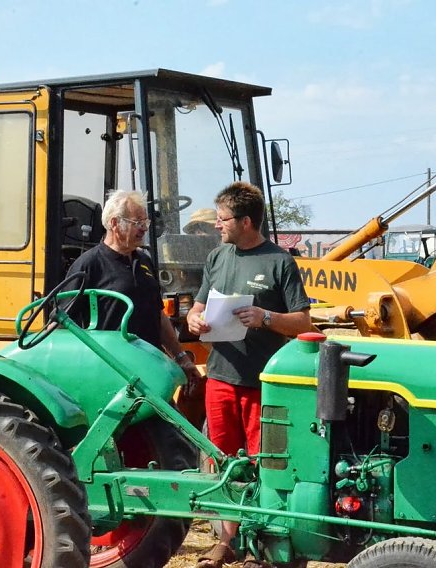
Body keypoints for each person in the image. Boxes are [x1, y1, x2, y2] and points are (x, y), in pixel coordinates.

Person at [187, 181, 312, 568]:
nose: (216, 226)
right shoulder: (217, 258)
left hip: (263, 385)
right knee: (224, 464)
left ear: (246, 221)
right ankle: (227, 540)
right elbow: (199, 305)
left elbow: (304, 322)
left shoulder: (280, 262)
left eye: (222, 219)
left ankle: (262, 546)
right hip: (221, 377)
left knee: (265, 464)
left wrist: (266, 317)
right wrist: (194, 319)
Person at [63, 189, 202, 386]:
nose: (144, 229)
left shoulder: (144, 261)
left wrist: (182, 358)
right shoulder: (88, 265)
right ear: (114, 224)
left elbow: (158, 314)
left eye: (145, 222)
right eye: (137, 223)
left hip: (151, 369)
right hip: (113, 374)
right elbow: (62, 322)